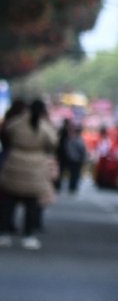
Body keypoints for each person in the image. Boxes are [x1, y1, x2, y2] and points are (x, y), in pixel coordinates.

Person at [0, 99, 60, 249]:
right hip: (36, 166)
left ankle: (4, 233)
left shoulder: (17, 122)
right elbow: (53, 142)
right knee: (32, 203)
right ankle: (28, 235)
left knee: (8, 202)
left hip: (14, 163)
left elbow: (7, 131)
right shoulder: (44, 126)